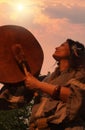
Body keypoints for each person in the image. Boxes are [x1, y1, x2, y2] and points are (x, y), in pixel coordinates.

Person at [25, 39, 85, 130]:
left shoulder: (80, 73)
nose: (56, 47)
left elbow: (74, 98)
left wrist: (39, 85)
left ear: (75, 51)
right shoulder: (46, 79)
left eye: (62, 45)